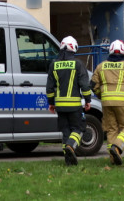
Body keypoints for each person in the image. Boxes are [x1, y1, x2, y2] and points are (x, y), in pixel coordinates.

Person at [91, 39, 124, 165]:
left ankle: (113, 158)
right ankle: (118, 147)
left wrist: (101, 95)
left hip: (106, 103)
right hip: (123, 102)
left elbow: (92, 85)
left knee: (111, 129)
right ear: (123, 51)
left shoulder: (101, 66)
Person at [46, 36, 92, 166]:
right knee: (79, 128)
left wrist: (51, 103)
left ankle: (68, 159)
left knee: (65, 131)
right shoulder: (78, 64)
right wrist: (88, 100)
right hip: (74, 105)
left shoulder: (53, 64)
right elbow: (84, 85)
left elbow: (49, 88)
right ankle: (71, 146)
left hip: (60, 106)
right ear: (74, 48)